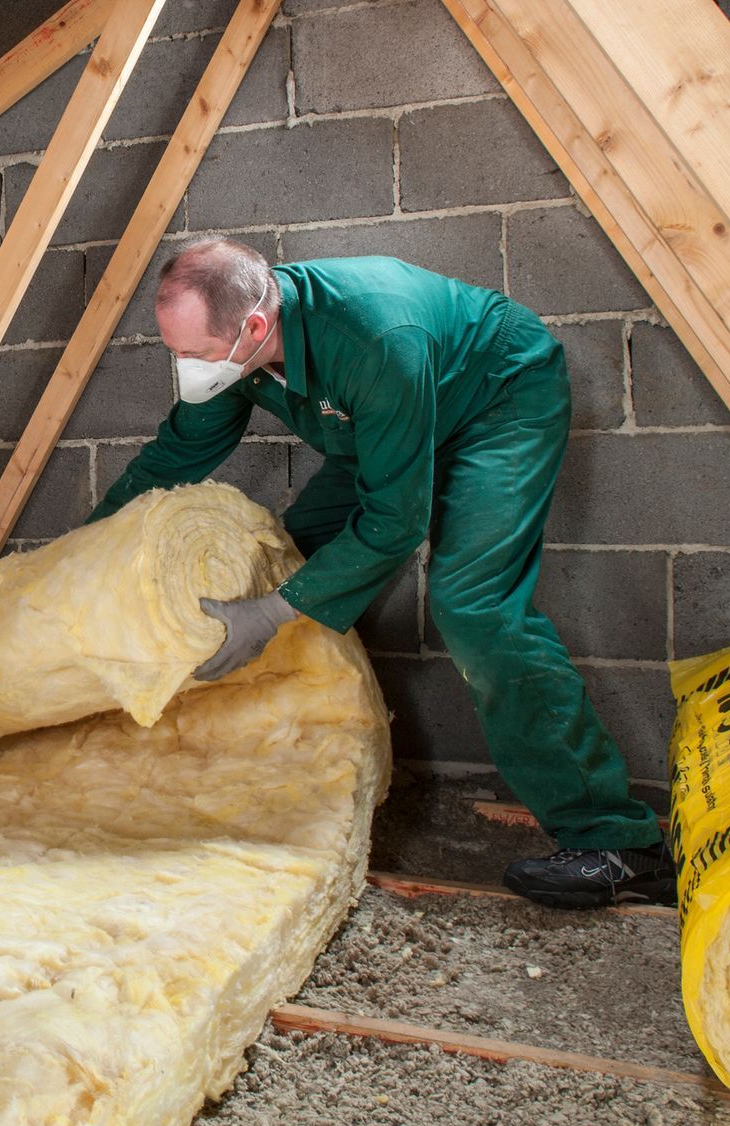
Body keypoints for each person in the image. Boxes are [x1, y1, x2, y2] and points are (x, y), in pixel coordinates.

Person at [91, 237, 668, 908]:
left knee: (473, 606)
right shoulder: (238, 350)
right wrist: (88, 547)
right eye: (175, 352)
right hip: (389, 420)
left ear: (253, 326)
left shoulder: (374, 335)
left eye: (191, 354)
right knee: (290, 560)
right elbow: (181, 449)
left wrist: (274, 614)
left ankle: (618, 844)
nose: (186, 368)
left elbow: (395, 522)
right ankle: (282, 772)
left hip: (493, 402)